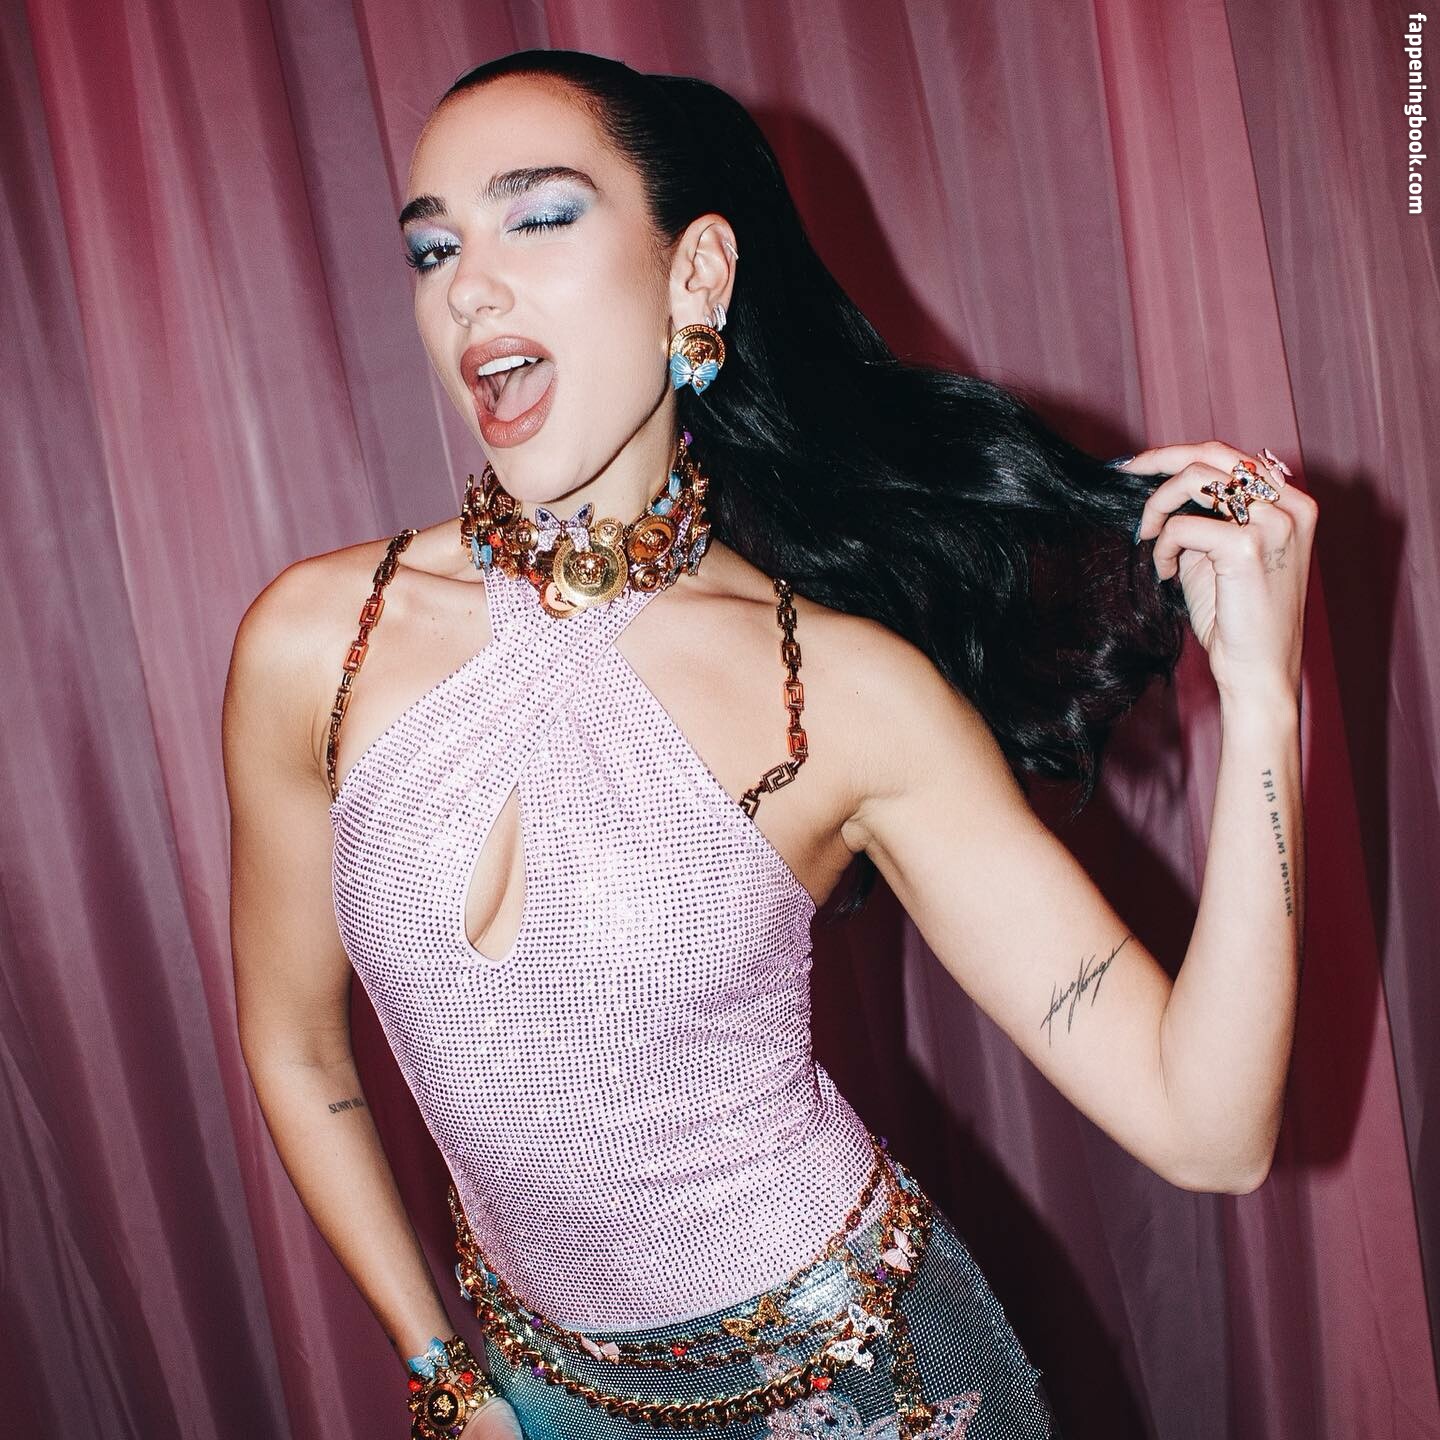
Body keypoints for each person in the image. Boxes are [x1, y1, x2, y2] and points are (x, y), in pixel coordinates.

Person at [222, 48, 1316, 1440]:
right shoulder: (316, 642)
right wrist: (443, 1376)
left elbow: (1208, 1130)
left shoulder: (848, 695)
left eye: (537, 217)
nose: (468, 289)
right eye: (434, 248)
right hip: (539, 1393)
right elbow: (296, 1049)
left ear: (696, 277)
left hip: (866, 1390)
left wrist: (1264, 693)